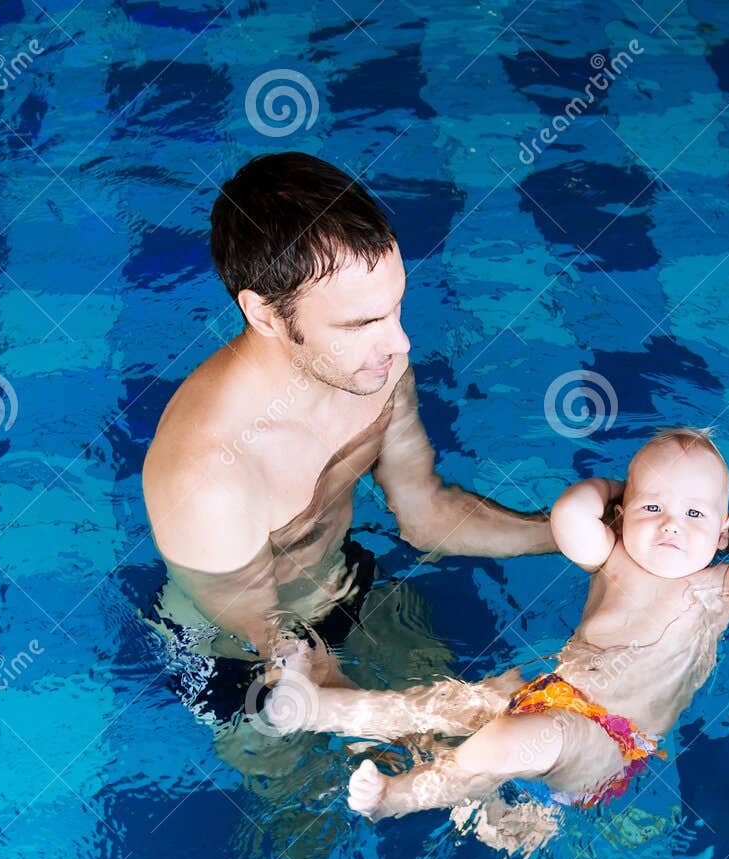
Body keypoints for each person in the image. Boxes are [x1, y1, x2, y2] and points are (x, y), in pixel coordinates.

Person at [142, 151, 555, 723]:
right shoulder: (212, 476)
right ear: (265, 316)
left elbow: (425, 514)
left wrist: (570, 534)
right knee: (301, 795)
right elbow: (283, 660)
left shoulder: (372, 367)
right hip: (236, 654)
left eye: (395, 307)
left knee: (492, 755)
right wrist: (442, 717)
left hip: (342, 580)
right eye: (360, 324)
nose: (400, 343)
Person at [274, 427, 729, 854]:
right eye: (653, 507)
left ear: (722, 533)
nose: (671, 524)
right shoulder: (613, 556)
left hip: (608, 742)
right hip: (551, 695)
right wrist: (614, 496)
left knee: (505, 740)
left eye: (695, 514)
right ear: (622, 515)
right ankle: (321, 710)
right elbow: (569, 515)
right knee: (448, 705)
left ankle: (396, 799)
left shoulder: (718, 588)